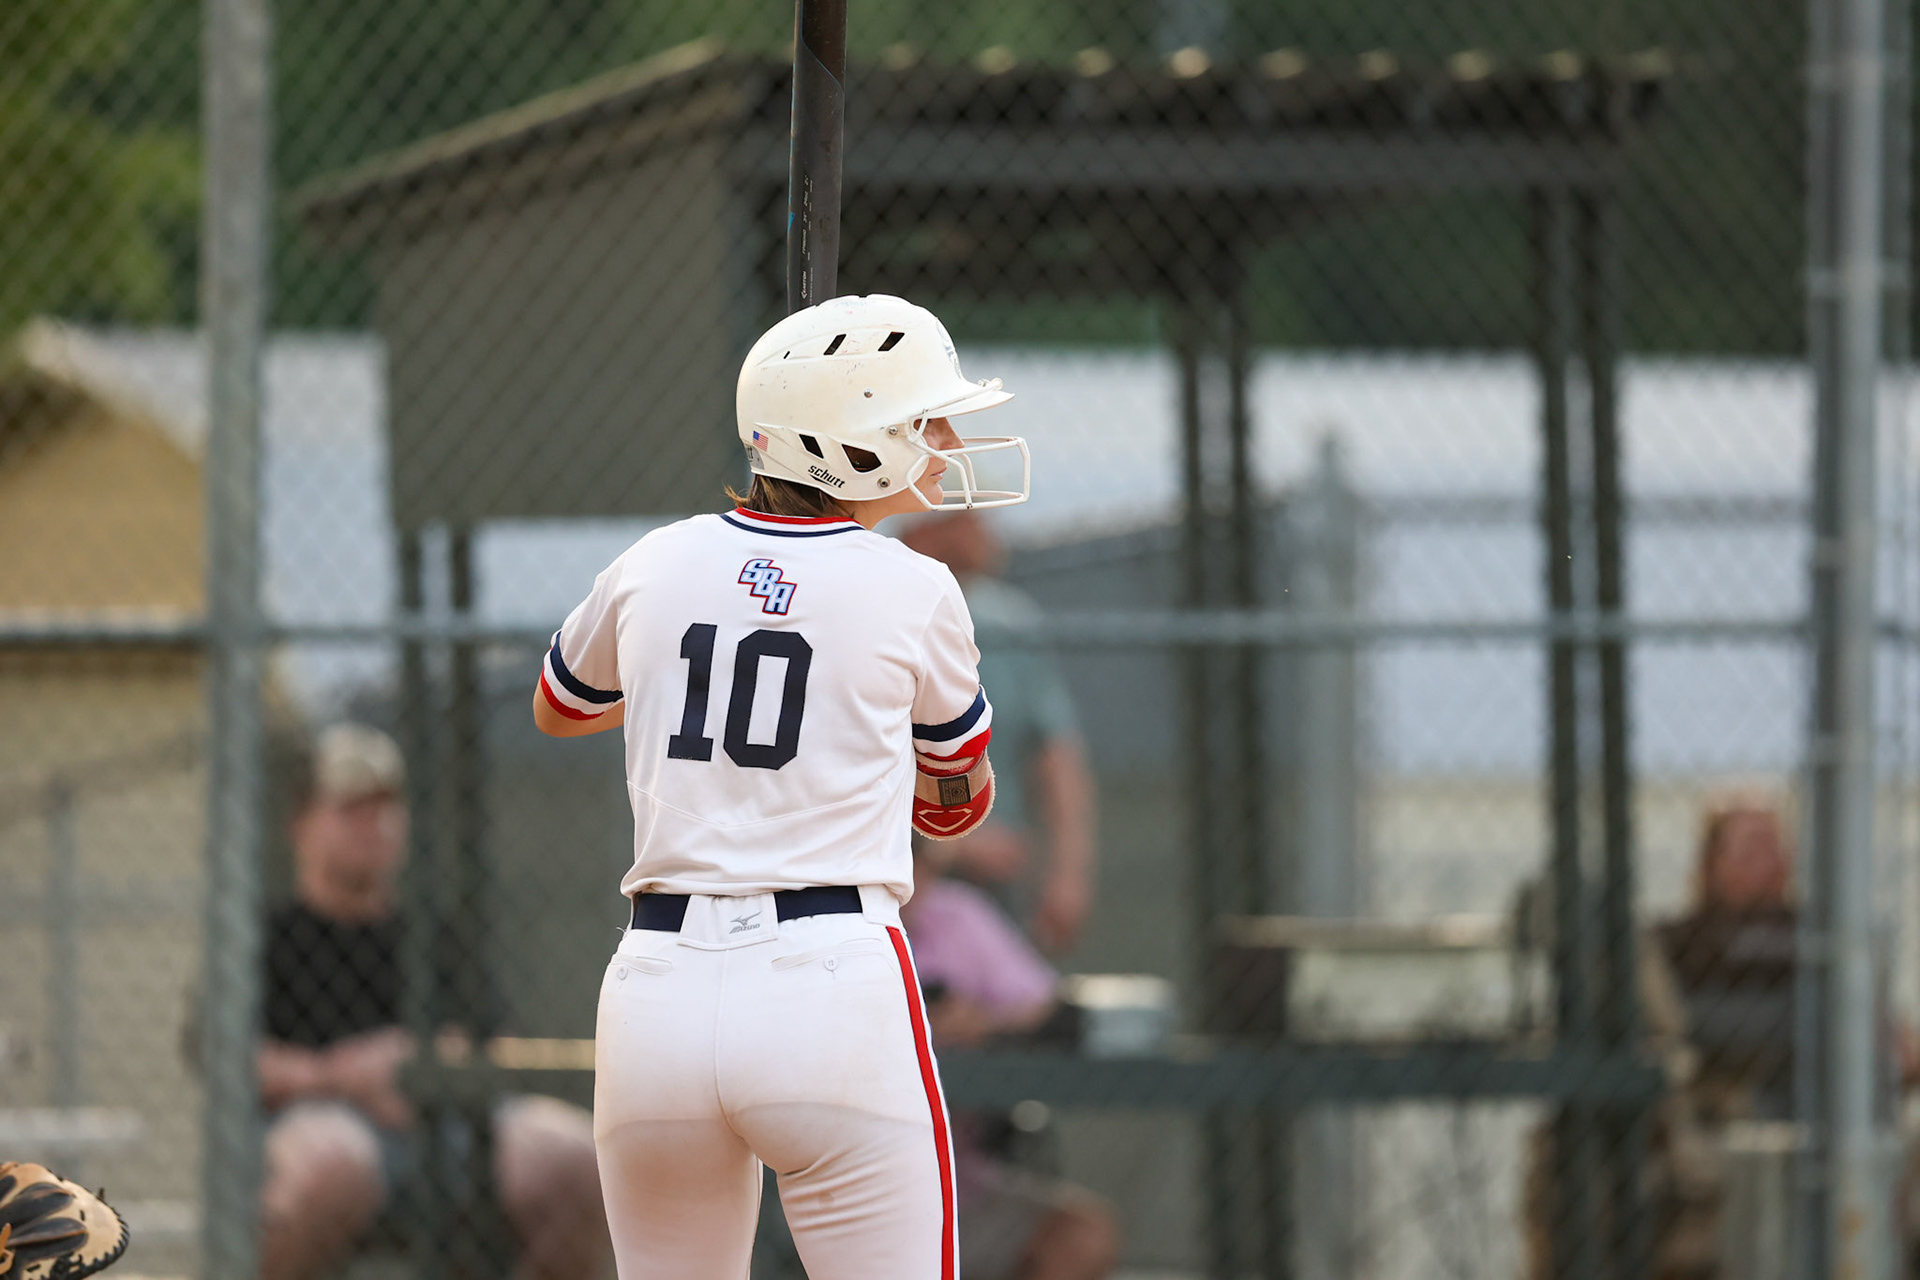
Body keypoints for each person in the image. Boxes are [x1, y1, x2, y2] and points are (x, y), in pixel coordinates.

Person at [534, 293, 1028, 1279]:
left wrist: (696, 698)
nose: (942, 443)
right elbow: (957, 805)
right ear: (851, 444)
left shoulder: (657, 558)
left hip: (657, 989)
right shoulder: (916, 585)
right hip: (829, 978)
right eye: (921, 421)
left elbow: (561, 704)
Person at [255, 724, 608, 1280]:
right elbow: (234, 1058)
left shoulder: (431, 932)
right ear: (301, 823)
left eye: (386, 808)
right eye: (352, 809)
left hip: (445, 1125)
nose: (376, 826)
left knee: (577, 1161)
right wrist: (341, 1075)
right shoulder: (269, 936)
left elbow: (494, 1045)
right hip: (317, 1118)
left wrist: (419, 1065)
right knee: (330, 1163)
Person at [904, 844, 1119, 1280]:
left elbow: (1050, 1010)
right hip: (856, 1185)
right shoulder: (822, 923)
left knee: (1082, 1235)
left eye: (917, 858)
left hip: (962, 1183)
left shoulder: (954, 915)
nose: (909, 876)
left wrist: (982, 1024)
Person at [900, 512, 1097, 953]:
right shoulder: (876, 611)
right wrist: (953, 844)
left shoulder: (1008, 619)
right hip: (896, 877)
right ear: (923, 527)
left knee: (1010, 990)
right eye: (969, 518)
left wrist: (1068, 873)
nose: (987, 533)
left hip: (995, 879)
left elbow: (1055, 755)